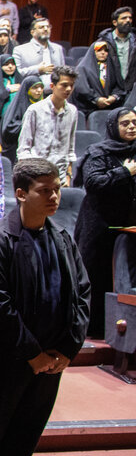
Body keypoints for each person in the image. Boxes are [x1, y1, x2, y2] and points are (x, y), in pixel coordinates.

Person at [0, 159, 90, 456]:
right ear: (21, 194)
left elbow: (82, 293)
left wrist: (68, 349)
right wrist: (33, 354)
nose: (54, 197)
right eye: (44, 191)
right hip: (6, 362)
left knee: (24, 444)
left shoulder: (62, 238)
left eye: (57, 189)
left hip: (50, 361)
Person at [74, 109, 136, 337]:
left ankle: (122, 329)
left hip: (127, 226)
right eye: (125, 123)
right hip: (99, 226)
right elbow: (93, 182)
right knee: (97, 277)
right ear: (113, 127)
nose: (131, 127)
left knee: (122, 278)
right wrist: (124, 172)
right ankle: (94, 328)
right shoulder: (98, 152)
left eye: (134, 122)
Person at [18, 65, 79, 184]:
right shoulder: (35, 110)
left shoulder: (72, 111)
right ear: (52, 86)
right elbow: (24, 149)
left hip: (60, 176)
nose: (68, 89)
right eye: (64, 85)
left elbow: (70, 147)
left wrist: (68, 175)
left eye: (71, 85)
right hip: (37, 176)